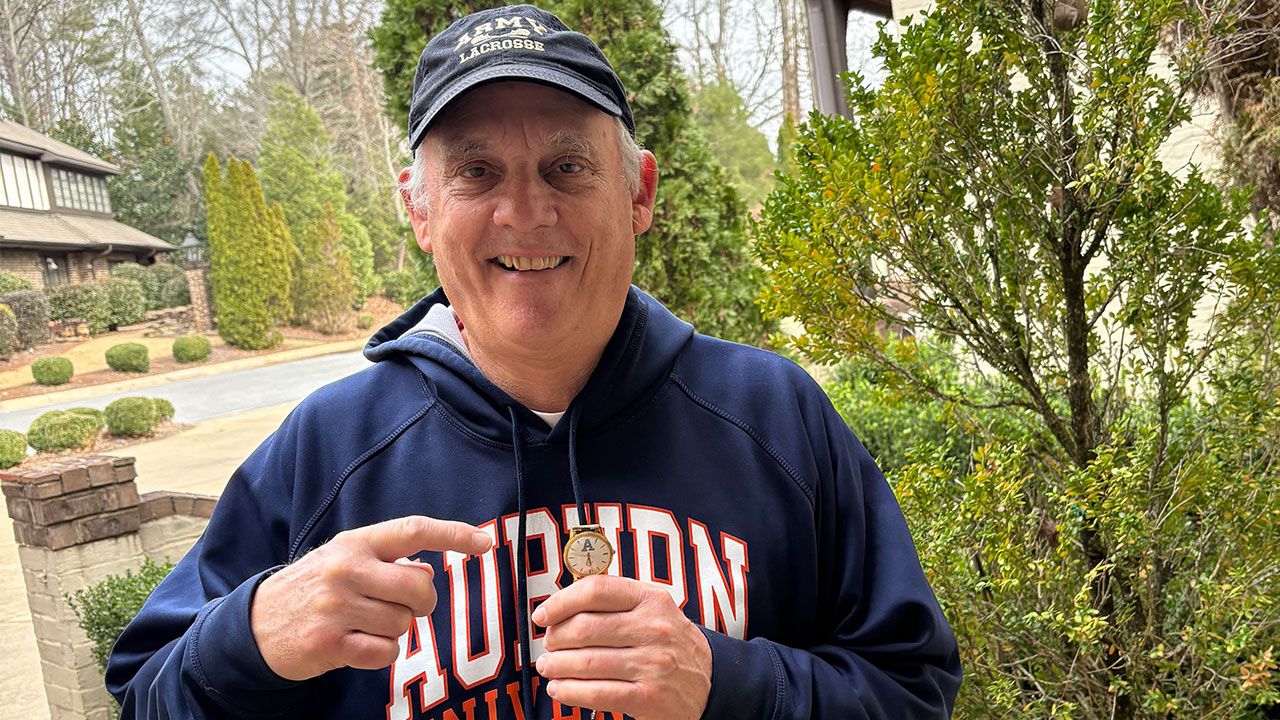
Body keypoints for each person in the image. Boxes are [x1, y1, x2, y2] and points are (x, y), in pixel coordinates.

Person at [105, 5, 962, 719]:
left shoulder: (774, 415)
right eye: (477, 172)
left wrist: (728, 683)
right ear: (420, 211)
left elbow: (914, 688)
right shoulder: (328, 450)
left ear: (640, 194)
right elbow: (145, 695)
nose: (524, 211)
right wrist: (248, 639)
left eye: (567, 166)